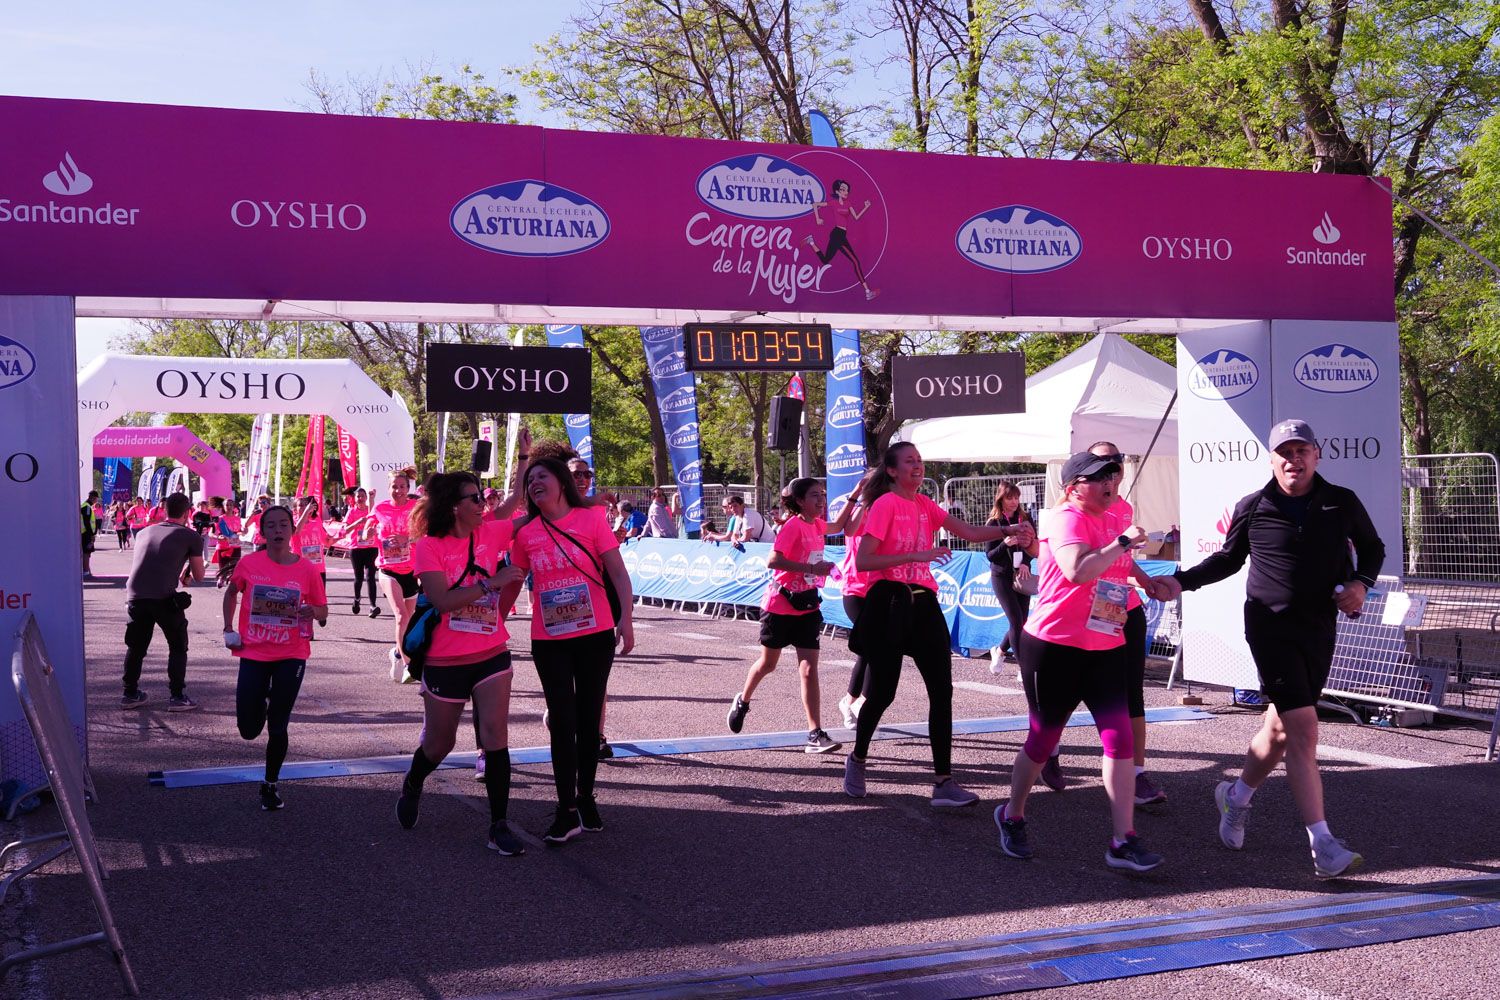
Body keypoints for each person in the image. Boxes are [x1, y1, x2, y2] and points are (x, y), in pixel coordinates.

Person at [1150, 419, 1383, 879]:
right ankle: (1323, 844)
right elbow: (1227, 559)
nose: (1294, 460)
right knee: (1304, 730)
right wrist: (1181, 581)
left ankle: (1235, 797)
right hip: (1269, 627)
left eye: (1301, 451)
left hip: (1318, 627)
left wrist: (1361, 583)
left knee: (1279, 729)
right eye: (1285, 453)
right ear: (1273, 460)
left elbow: (1372, 548)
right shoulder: (1255, 506)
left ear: (1316, 454)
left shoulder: (1342, 501)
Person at [992, 451, 1162, 872]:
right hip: (1054, 646)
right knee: (1043, 740)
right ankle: (1012, 814)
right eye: (1097, 477)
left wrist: (1148, 581)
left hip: (1105, 643)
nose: (1109, 481)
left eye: (1112, 474)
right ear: (1073, 488)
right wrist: (1123, 541)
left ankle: (1123, 839)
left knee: (1119, 740)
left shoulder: (1115, 517)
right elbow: (1076, 570)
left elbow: (1118, 567)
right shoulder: (1066, 518)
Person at [845, 443, 1032, 807]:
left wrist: (1011, 528)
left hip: (924, 602)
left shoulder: (923, 503)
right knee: (882, 693)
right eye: (909, 461)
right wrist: (915, 555)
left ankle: (943, 782)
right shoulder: (884, 504)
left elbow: (970, 532)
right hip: (889, 601)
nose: (918, 465)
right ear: (892, 470)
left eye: (919, 460)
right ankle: (858, 758)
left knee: (942, 690)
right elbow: (864, 561)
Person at [502, 457, 635, 844]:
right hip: (549, 639)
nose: (534, 483)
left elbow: (617, 571)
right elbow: (514, 580)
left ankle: (585, 796)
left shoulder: (591, 520)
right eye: (530, 480)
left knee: (589, 719)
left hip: (595, 633)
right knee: (562, 720)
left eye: (542, 476)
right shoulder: (526, 533)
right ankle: (566, 810)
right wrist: (494, 621)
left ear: (561, 483)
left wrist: (626, 619)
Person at [395, 472, 528, 855]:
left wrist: (525, 462)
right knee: (440, 744)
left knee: (495, 735)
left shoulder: (490, 532)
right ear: (455, 506)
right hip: (445, 659)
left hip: (491, 652)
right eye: (474, 498)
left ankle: (498, 826)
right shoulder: (429, 547)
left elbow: (527, 511)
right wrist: (491, 583)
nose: (483, 504)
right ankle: (414, 781)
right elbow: (442, 600)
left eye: (482, 497)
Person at [727, 478, 852, 753]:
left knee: (808, 669)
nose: (821, 500)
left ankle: (815, 734)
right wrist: (811, 568)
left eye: (822, 495)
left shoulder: (816, 524)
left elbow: (838, 526)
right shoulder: (793, 525)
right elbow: (773, 561)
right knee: (768, 664)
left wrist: (855, 495)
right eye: (814, 495)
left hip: (807, 605)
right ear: (799, 501)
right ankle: (743, 701)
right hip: (780, 604)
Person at [221, 504, 328, 811]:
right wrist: (228, 628)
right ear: (262, 531)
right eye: (271, 525)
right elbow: (232, 592)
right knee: (248, 729)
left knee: (278, 725)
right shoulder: (249, 564)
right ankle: (261, 700)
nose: (278, 530)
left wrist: (312, 611)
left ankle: (270, 784)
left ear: (292, 529)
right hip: (254, 651)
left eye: (284, 525)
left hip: (291, 653)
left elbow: (323, 611)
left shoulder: (307, 569)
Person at [1085, 441, 1170, 807]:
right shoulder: (1076, 509)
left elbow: (1123, 559)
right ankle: (1047, 750)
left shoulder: (1125, 508)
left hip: (1122, 604)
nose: (1112, 466)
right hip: (1085, 609)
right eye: (1102, 461)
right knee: (1075, 689)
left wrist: (1146, 581)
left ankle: (1135, 773)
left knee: (1131, 691)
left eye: (1116, 460)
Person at [120, 492, 207, 711]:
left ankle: (130, 694)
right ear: (187, 513)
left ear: (165, 510)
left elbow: (154, 563)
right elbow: (198, 576)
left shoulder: (144, 532)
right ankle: (177, 696)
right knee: (178, 646)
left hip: (135, 595)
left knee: (136, 647)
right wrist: (187, 571)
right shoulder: (190, 536)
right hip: (163, 597)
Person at [832, 472, 878, 730]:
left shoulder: (888, 510)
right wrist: (863, 497)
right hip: (855, 589)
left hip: (879, 588)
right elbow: (849, 529)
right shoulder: (862, 509)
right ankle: (858, 701)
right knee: (872, 647)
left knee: (871, 650)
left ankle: (851, 701)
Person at [373, 468, 422, 681]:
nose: (398, 490)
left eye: (402, 487)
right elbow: (367, 528)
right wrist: (367, 532)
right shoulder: (380, 508)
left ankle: (396, 653)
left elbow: (425, 535)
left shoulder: (415, 508)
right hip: (387, 569)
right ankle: (408, 665)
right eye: (394, 486)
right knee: (401, 615)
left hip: (410, 570)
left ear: (408, 488)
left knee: (409, 620)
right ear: (389, 488)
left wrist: (407, 540)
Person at [985, 481, 1037, 668]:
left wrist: (1025, 562)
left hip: (1021, 575)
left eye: (1016, 497)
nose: (1014, 502)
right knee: (1015, 620)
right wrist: (1004, 544)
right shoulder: (994, 523)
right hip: (1001, 576)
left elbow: (1035, 545)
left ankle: (999, 651)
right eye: (1009, 498)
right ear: (1001, 499)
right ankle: (1024, 667)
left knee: (1022, 621)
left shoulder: (1026, 519)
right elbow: (990, 555)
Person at [803, 179, 879, 300]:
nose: (846, 192)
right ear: (837, 191)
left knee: (825, 260)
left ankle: (811, 241)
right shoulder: (833, 203)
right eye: (843, 190)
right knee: (855, 261)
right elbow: (815, 204)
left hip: (841, 235)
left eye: (847, 190)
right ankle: (867, 291)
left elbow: (856, 217)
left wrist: (866, 207)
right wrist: (818, 218)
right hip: (837, 235)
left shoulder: (848, 204)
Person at [335, 487, 381, 617]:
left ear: (366, 498)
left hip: (371, 547)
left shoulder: (370, 510)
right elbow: (345, 530)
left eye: (362, 496)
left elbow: (375, 517)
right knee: (359, 578)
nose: (360, 498)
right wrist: (357, 522)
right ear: (354, 499)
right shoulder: (351, 512)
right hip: (356, 549)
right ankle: (357, 599)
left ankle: (373, 606)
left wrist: (372, 498)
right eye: (358, 496)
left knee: (370, 577)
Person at [214, 499, 244, 588]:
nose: (229, 507)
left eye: (231, 505)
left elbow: (239, 531)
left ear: (233, 506)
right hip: (223, 547)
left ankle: (233, 584)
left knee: (235, 567)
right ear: (223, 507)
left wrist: (244, 532)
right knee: (223, 568)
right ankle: (222, 578)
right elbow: (211, 533)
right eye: (227, 505)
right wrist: (218, 537)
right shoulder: (219, 519)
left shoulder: (238, 519)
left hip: (235, 546)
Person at [81, 490, 99, 578]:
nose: (96, 501)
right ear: (93, 498)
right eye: (96, 499)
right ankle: (86, 572)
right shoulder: (87, 507)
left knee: (87, 553)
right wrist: (91, 534)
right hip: (86, 533)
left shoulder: (86, 506)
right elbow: (87, 522)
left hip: (86, 533)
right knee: (86, 552)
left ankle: (87, 571)